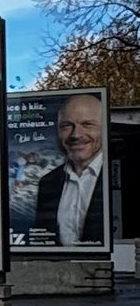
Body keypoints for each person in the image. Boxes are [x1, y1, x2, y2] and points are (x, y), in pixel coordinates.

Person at [34, 92, 106, 246]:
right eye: (67, 126)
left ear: (105, 128)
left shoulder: (124, 177)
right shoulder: (47, 183)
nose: (76, 134)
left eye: (87, 124)